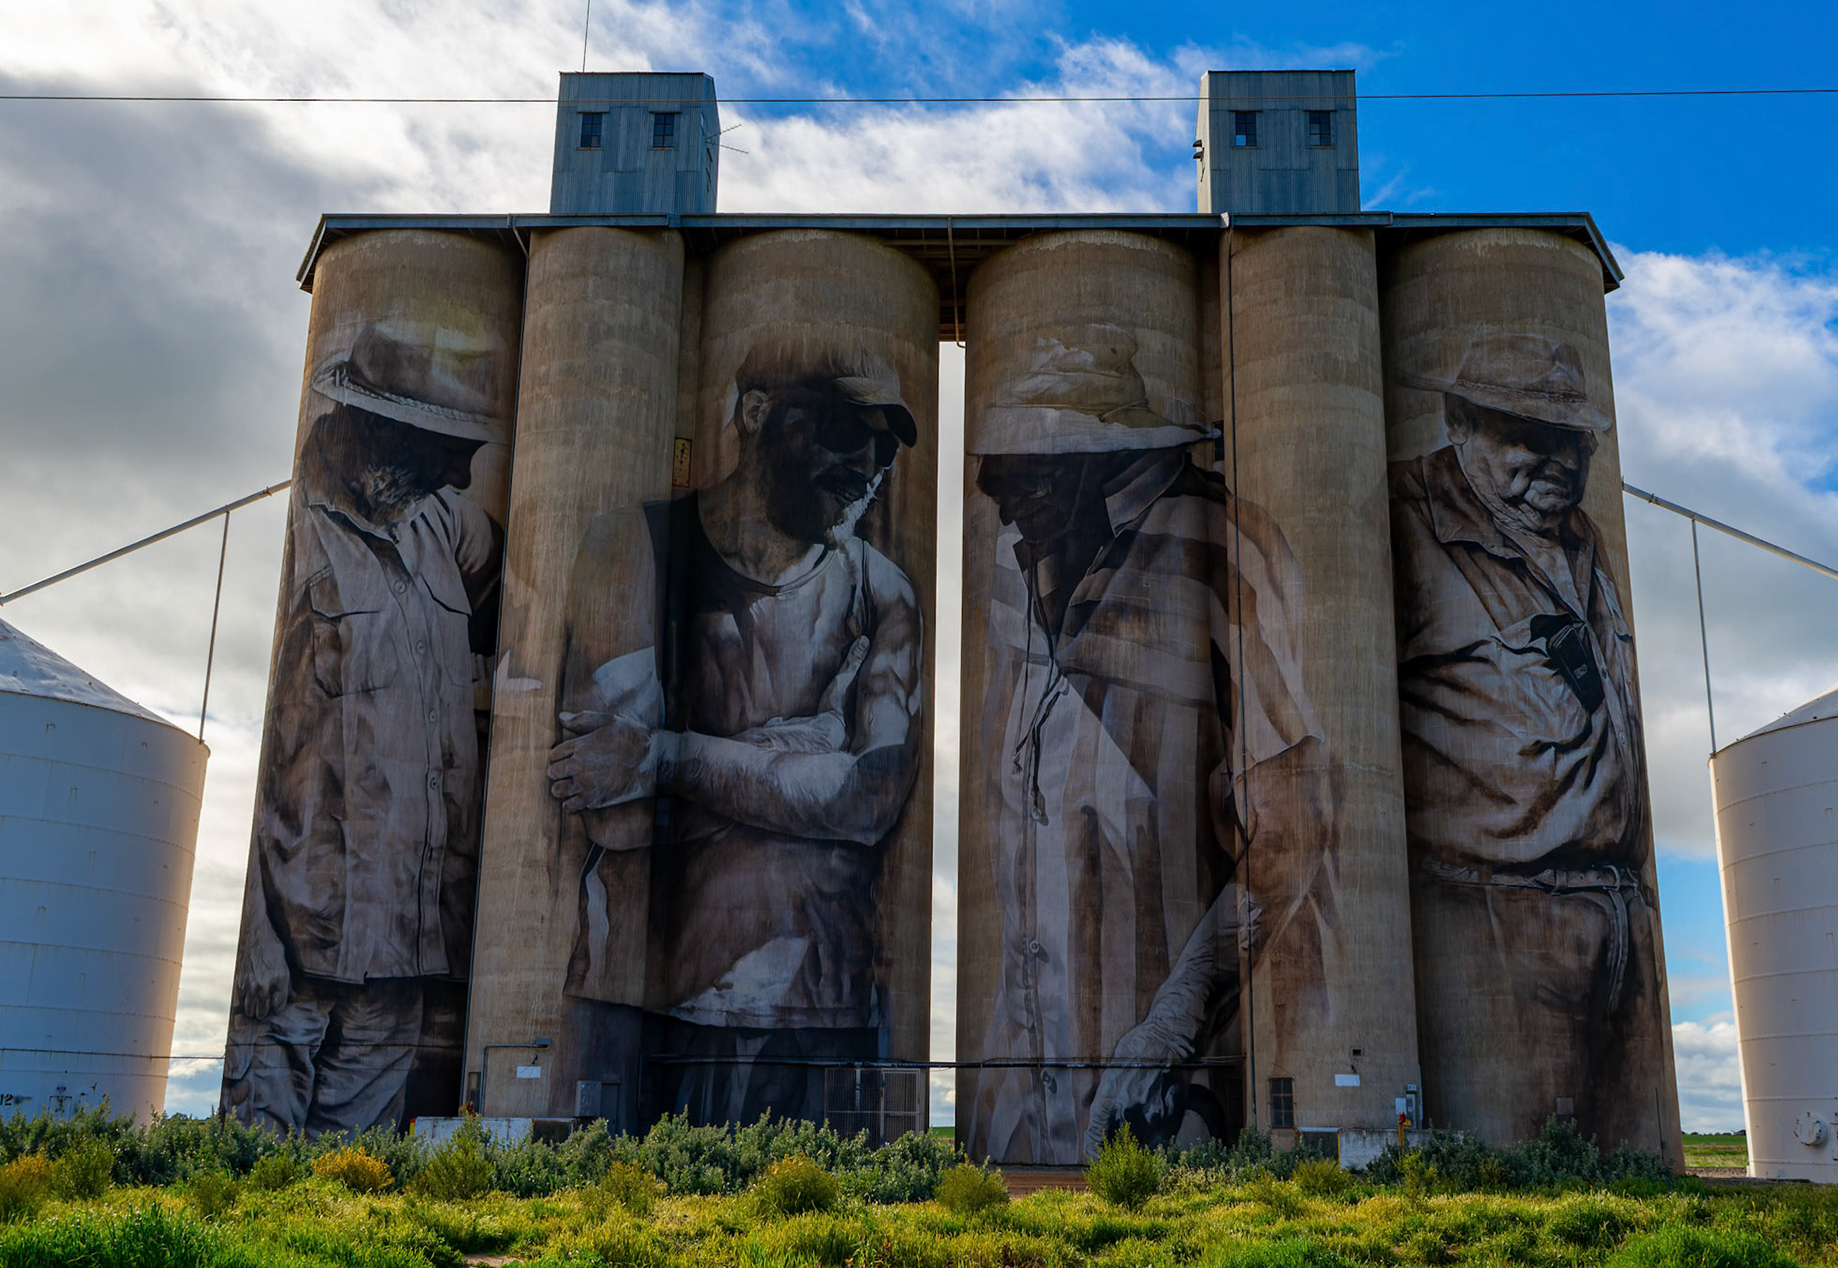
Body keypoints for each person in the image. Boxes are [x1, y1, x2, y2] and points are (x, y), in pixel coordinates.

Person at [965, 327, 1334, 1165]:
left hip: (1167, 1092)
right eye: (993, 469)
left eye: (1024, 470)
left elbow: (1295, 824)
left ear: (1102, 458)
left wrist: (1169, 1029)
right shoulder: (1017, 568)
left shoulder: (1223, 547)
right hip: (1020, 1092)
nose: (997, 495)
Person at [546, 339, 924, 1130]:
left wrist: (666, 755)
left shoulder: (881, 590)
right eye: (844, 431)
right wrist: (817, 740)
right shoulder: (636, 546)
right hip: (644, 1006)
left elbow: (868, 799)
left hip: (824, 1012)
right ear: (756, 413)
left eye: (885, 450)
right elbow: (612, 812)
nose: (868, 466)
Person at [1389, 331, 1671, 1151]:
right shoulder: (1404, 521)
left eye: (1572, 440)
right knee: (1511, 1174)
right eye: (1528, 435)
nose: (1558, 459)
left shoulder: (1585, 538)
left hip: (1623, 924)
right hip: (1497, 931)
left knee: (1638, 1183)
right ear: (1459, 422)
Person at [223, 322, 506, 1134]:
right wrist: (258, 942)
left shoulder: (435, 524)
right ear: (379, 429)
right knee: (256, 1175)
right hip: (297, 958)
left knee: (353, 1183)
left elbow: (520, 551)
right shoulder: (308, 539)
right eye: (445, 450)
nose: (462, 475)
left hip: (403, 950)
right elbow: (275, 760)